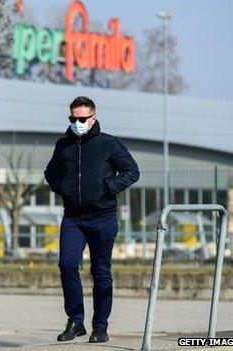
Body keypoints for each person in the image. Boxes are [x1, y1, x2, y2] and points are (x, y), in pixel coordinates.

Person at [44, 96, 140, 343]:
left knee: (101, 272)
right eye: (73, 118)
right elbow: (50, 172)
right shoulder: (63, 145)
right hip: (73, 219)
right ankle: (76, 321)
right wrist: (61, 187)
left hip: (103, 217)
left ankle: (100, 327)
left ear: (93, 117)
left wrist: (108, 187)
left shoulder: (108, 144)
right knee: (67, 265)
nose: (77, 122)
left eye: (82, 118)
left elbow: (132, 171)